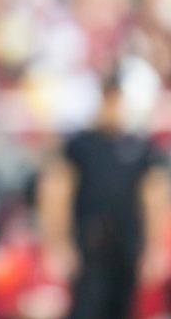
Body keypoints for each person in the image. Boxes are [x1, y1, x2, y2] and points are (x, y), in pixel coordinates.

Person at [37, 67, 169, 319]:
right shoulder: (80, 145)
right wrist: (58, 243)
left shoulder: (141, 147)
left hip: (128, 246)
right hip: (89, 246)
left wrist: (153, 249)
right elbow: (56, 193)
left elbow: (154, 197)